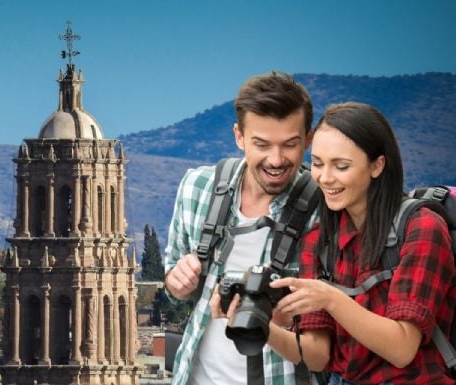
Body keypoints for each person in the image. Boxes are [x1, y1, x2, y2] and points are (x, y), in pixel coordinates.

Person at [222, 102, 455, 384]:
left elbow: (403, 349)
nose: (325, 177)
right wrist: (258, 325)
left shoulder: (422, 227)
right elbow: (318, 356)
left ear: (377, 165)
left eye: (341, 166)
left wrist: (331, 299)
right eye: (318, 163)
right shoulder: (319, 241)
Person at [164, 71, 315, 385]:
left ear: (308, 139)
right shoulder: (197, 187)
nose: (276, 160)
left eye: (290, 144)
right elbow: (172, 275)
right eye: (261, 144)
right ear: (239, 136)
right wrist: (176, 282)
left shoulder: (325, 209)